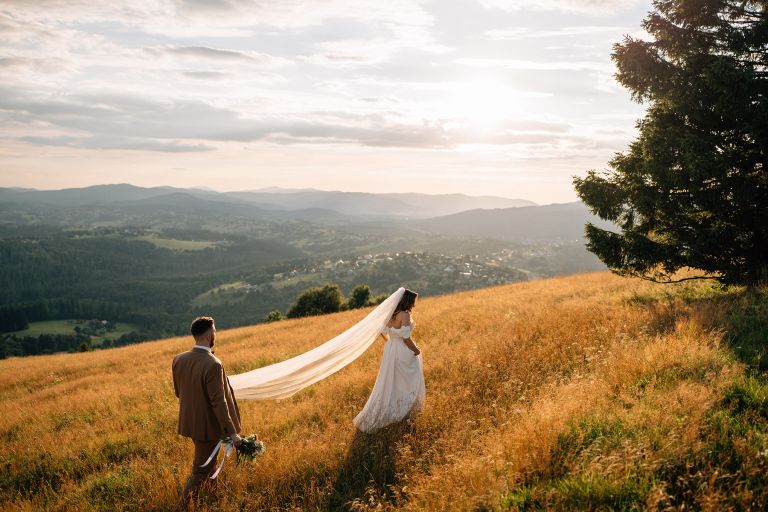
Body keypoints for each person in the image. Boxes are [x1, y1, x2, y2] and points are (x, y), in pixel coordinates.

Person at [172, 316, 243, 511]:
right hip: (208, 428)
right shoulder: (213, 363)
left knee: (209, 463)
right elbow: (218, 403)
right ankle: (182, 508)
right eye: (215, 332)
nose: (215, 335)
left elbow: (180, 393)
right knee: (200, 470)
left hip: (190, 424)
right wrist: (232, 433)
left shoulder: (178, 359)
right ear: (210, 334)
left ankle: (212, 498)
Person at [353, 289, 426, 433]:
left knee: (390, 381)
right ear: (407, 301)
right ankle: (404, 411)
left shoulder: (391, 314)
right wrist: (416, 350)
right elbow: (405, 338)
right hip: (402, 351)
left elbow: (381, 330)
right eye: (413, 301)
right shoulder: (404, 315)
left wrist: (391, 340)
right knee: (408, 381)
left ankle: (389, 410)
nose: (414, 305)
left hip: (391, 349)